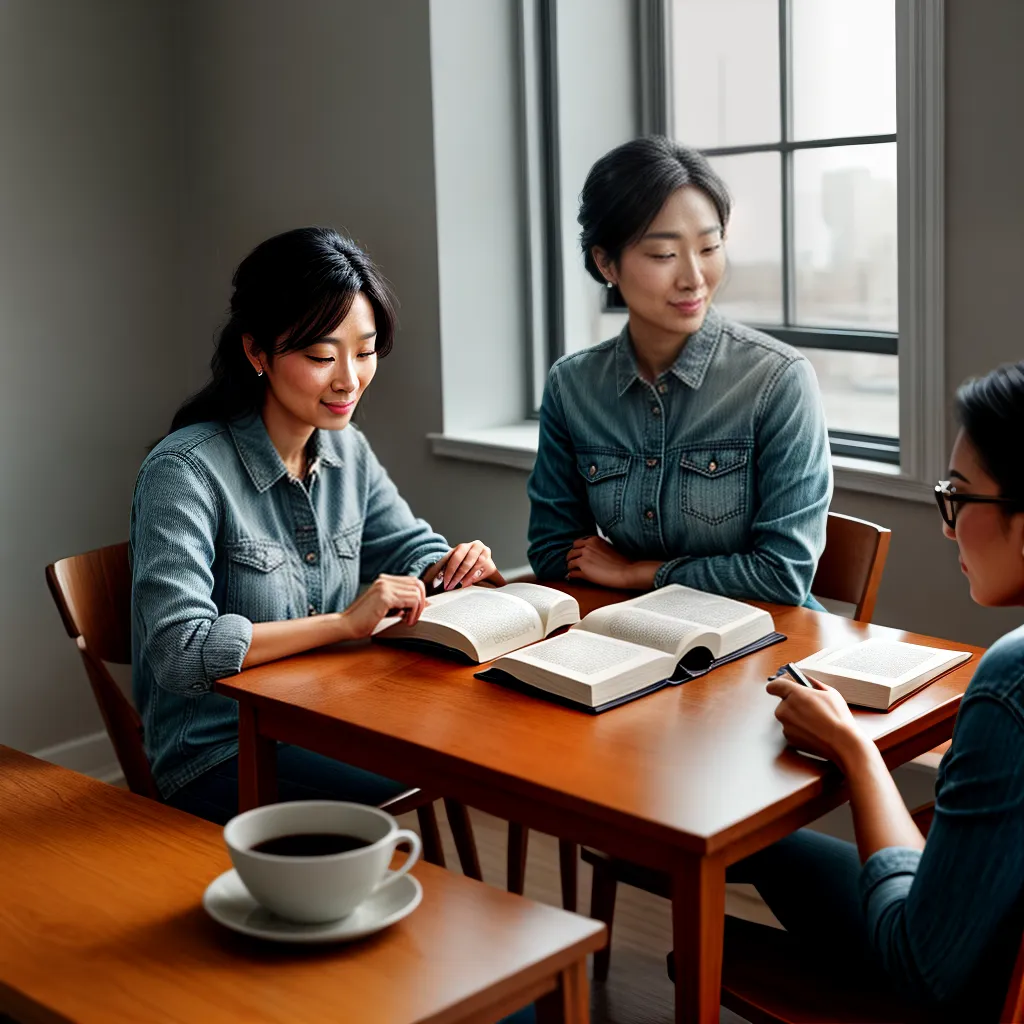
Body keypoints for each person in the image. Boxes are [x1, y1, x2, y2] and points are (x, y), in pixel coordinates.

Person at [131, 227, 501, 823]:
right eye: (321, 356)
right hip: (218, 752)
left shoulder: (345, 448)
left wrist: (446, 565)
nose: (349, 379)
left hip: (328, 714)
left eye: (366, 350)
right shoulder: (184, 471)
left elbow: (407, 545)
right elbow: (179, 652)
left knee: (475, 735)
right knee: (447, 757)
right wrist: (344, 624)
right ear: (257, 354)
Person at [725, 361, 1024, 1020]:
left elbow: (923, 969)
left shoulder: (1011, 679)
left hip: (960, 985)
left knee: (750, 838)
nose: (947, 527)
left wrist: (853, 752)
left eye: (959, 497)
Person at [527, 136, 832, 605]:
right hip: (627, 636)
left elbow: (783, 576)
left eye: (709, 248)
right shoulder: (573, 386)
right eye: (664, 255)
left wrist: (639, 574)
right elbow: (553, 551)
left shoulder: (778, 381)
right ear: (606, 262)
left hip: (763, 648)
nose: (694, 277)